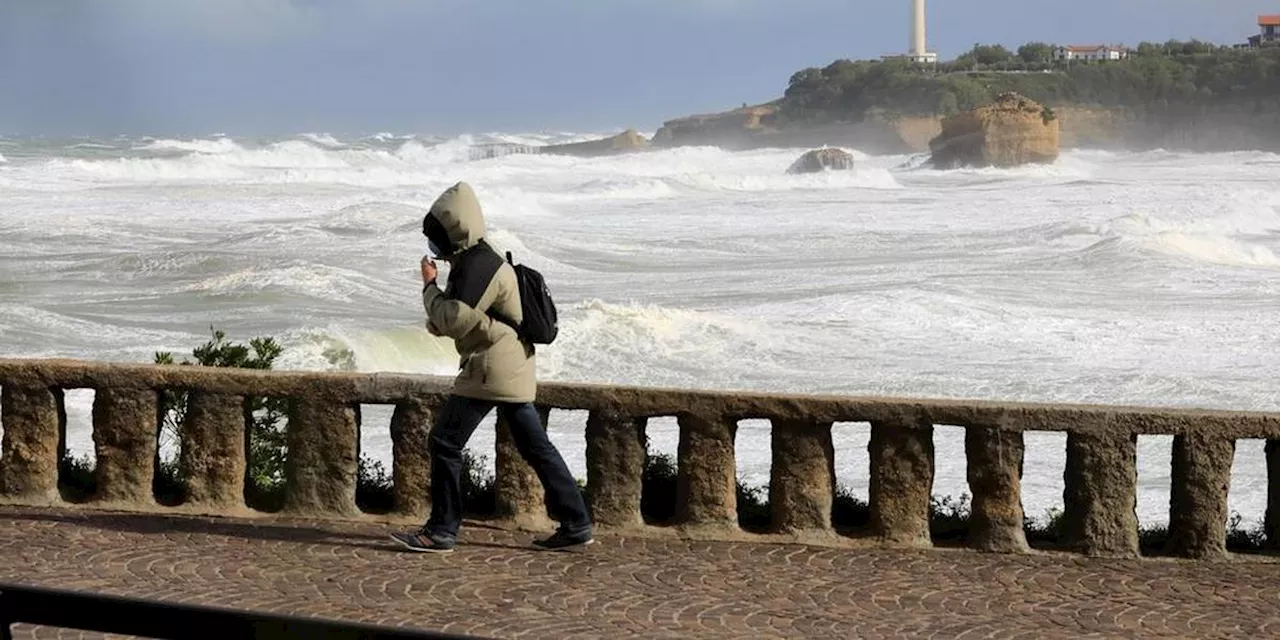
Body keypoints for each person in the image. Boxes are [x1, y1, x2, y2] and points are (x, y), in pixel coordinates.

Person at [390, 181, 594, 553]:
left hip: (491, 368)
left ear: (452, 231)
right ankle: (577, 521)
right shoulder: (475, 260)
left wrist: (429, 288)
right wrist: (441, 306)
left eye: (436, 236)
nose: (434, 244)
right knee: (535, 446)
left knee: (444, 442)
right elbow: (452, 320)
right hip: (509, 365)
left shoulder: (479, 266)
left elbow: (450, 320)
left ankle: (441, 530)